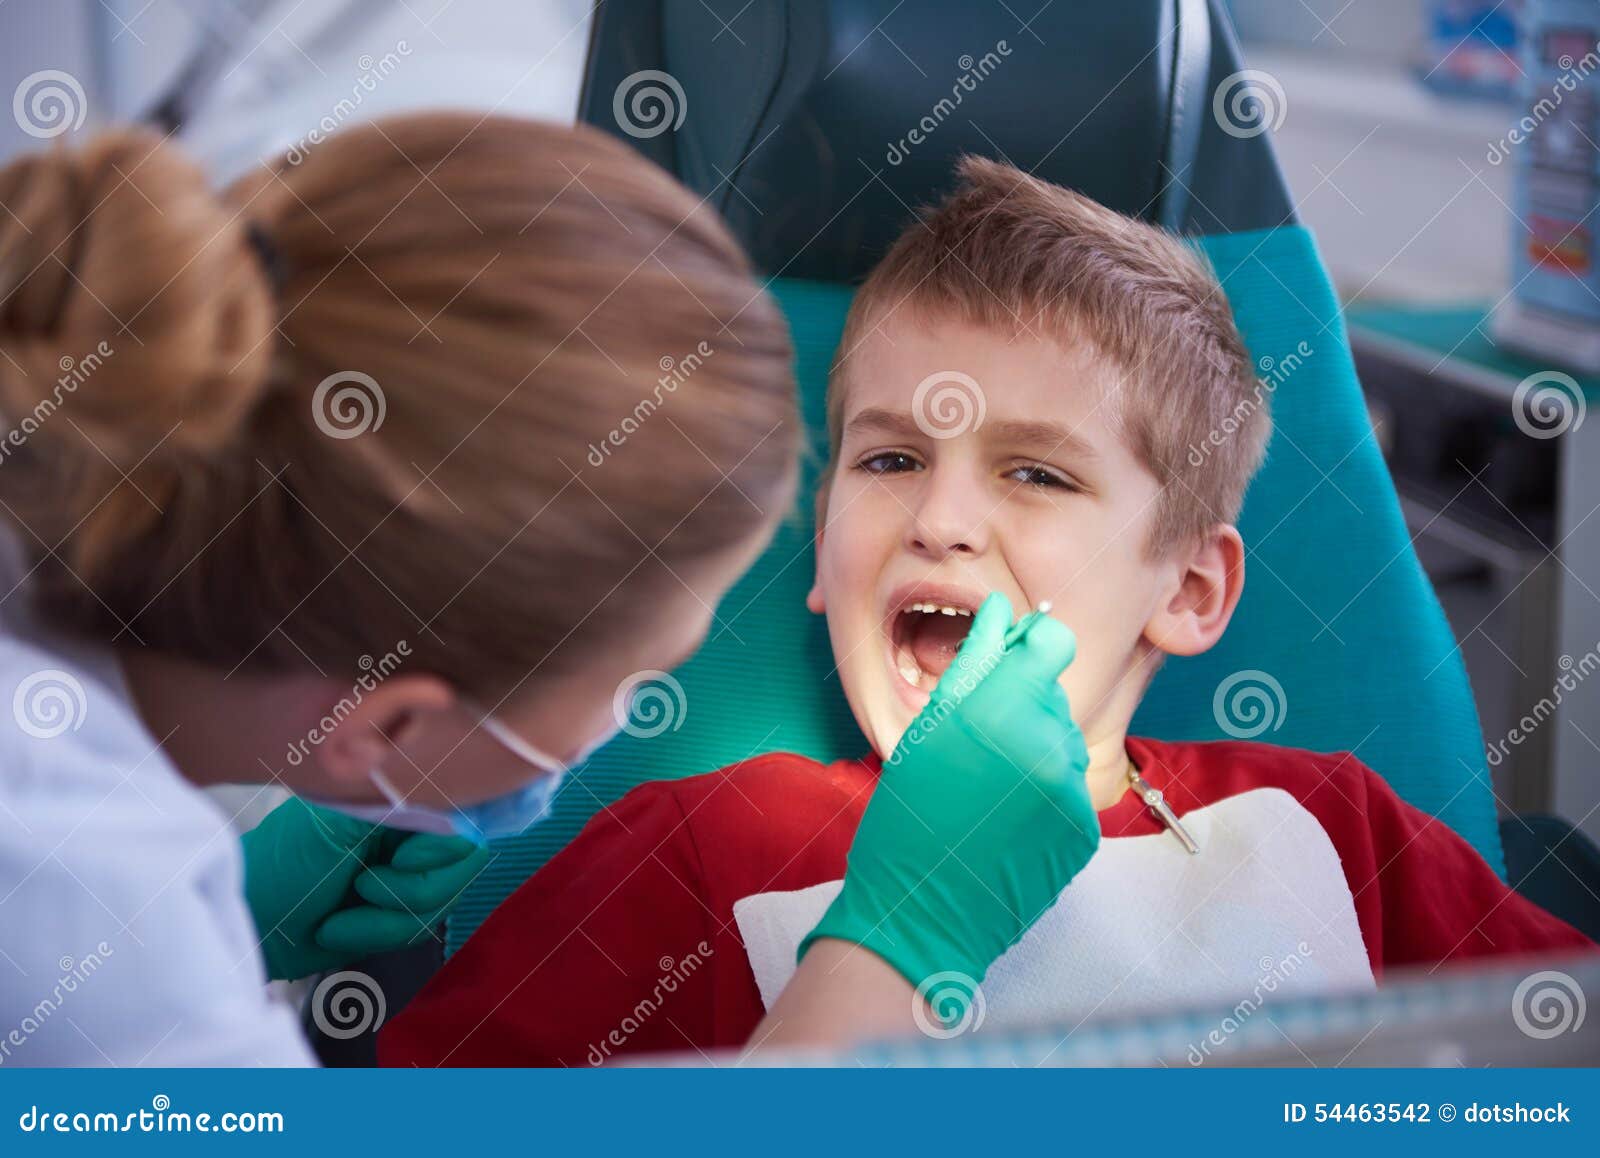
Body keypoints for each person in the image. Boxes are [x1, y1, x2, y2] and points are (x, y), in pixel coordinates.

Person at [379, 157, 1596, 1067]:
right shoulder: (703, 849)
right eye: (890, 460)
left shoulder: (1335, 830)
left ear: (1186, 590)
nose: (940, 522)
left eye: (1036, 473)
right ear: (819, 550)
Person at [0, 113, 799, 1065]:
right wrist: (888, 957)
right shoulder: (115, 958)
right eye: (634, 683)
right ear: (383, 731)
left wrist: (226, 918)